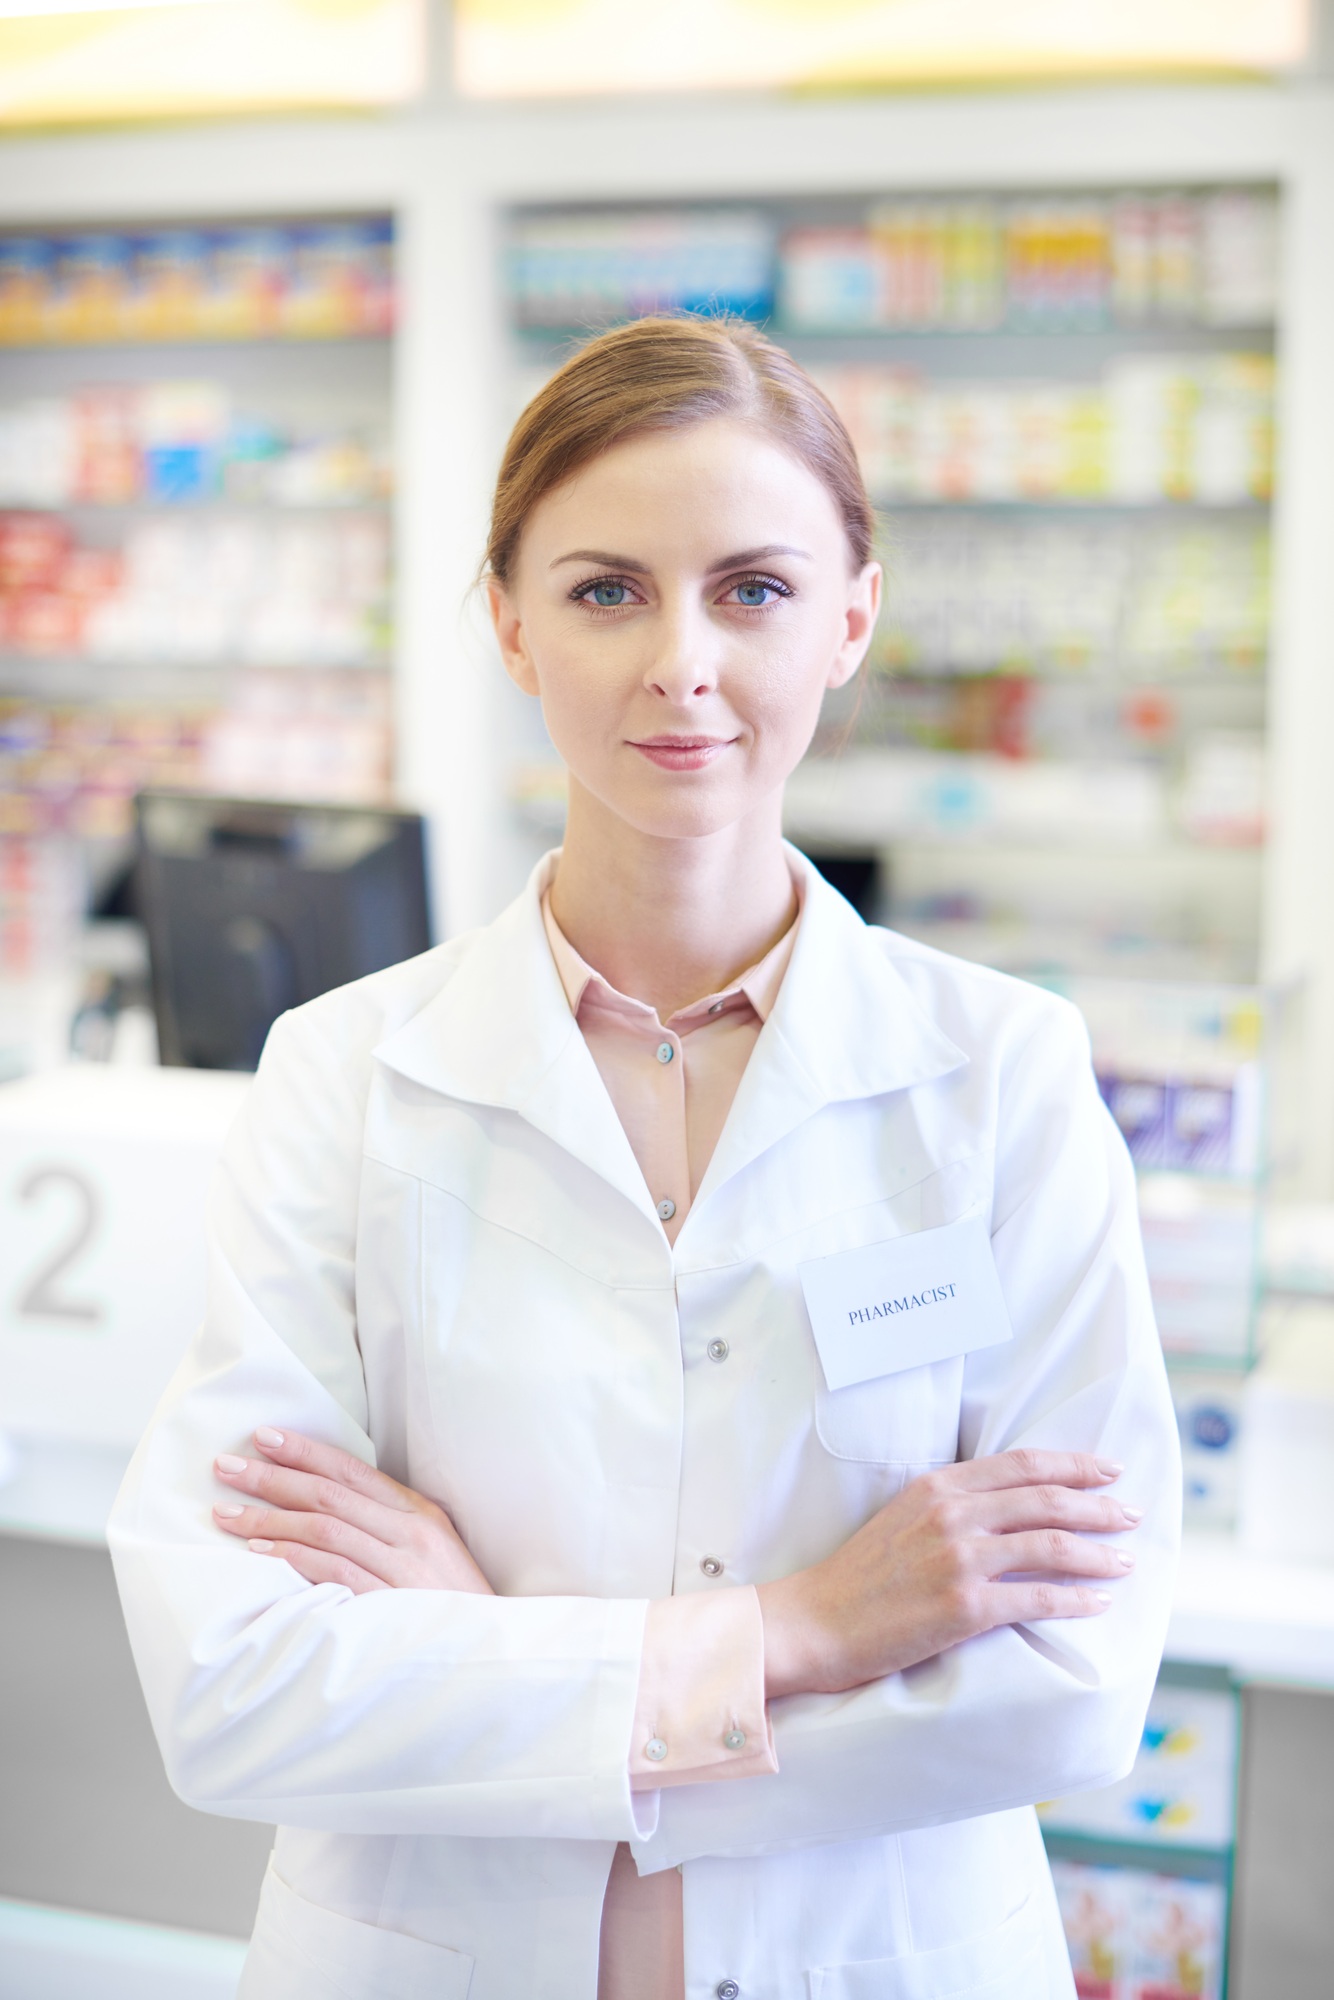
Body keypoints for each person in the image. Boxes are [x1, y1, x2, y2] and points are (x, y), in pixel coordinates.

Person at [110, 314, 1180, 2000]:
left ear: (851, 618)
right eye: (607, 589)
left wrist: (481, 1660)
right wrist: (805, 1634)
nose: (680, 661)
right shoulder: (342, 1076)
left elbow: (1065, 1676)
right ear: (510, 626)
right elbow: (234, 1690)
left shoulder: (1000, 1077)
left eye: (750, 588)